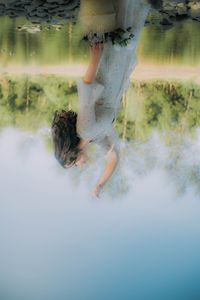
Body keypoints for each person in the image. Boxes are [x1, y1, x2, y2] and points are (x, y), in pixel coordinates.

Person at [52, 0, 151, 198]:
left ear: (71, 155)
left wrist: (94, 59)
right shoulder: (97, 138)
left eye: (74, 164)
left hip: (108, 75)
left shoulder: (86, 130)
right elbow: (114, 159)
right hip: (118, 81)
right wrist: (99, 185)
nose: (80, 165)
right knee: (126, 32)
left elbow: (86, 95)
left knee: (122, 30)